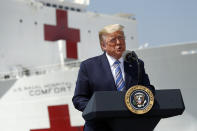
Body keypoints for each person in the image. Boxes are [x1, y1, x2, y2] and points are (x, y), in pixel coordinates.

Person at [72, 24, 155, 131]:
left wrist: (142, 99)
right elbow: (79, 98)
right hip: (99, 127)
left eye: (121, 38)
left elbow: (148, 89)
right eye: (113, 40)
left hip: (132, 126)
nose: (118, 42)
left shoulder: (137, 64)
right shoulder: (88, 66)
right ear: (103, 46)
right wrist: (96, 108)